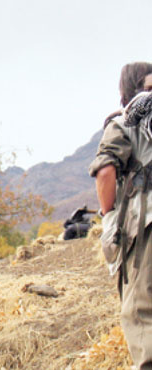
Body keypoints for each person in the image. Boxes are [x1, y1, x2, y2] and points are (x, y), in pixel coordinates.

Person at [90, 62, 152, 368]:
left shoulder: (125, 123)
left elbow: (105, 171)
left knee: (141, 312)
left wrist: (109, 217)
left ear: (124, 91)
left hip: (146, 227)